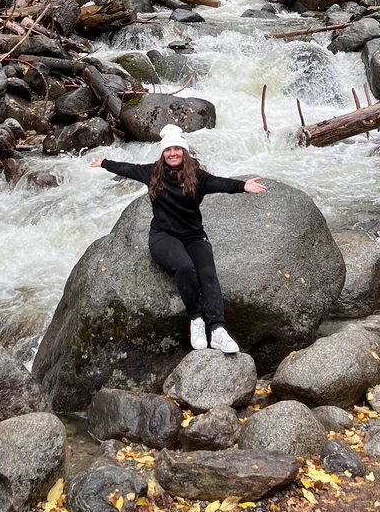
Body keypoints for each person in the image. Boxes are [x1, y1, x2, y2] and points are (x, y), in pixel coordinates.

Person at [90, 124, 268, 353]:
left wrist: (242, 185)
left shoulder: (197, 176)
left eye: (177, 149)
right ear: (163, 153)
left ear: (184, 151)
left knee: (208, 273)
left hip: (194, 236)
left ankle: (218, 330)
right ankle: (196, 319)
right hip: (163, 237)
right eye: (168, 149)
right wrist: (105, 163)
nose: (172, 153)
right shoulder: (152, 172)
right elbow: (128, 168)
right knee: (185, 267)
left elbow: (219, 183)